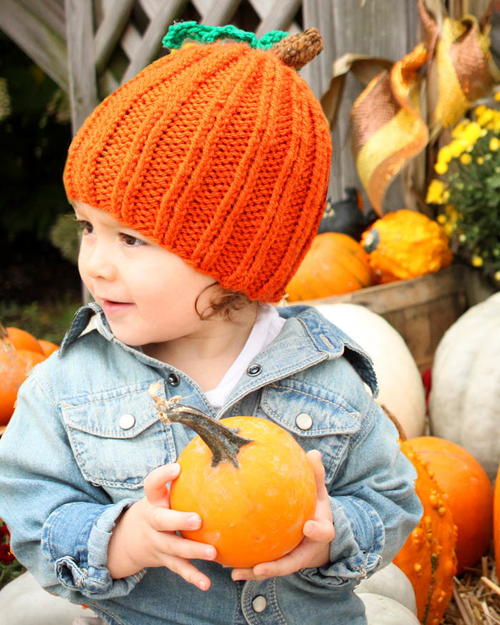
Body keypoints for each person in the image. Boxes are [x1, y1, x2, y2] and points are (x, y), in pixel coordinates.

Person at [0, 22, 422, 625]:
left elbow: (390, 499)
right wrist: (119, 542)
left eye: (132, 238)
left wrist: (334, 535)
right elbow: (32, 508)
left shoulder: (326, 378)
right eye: (86, 227)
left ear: (238, 258)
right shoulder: (71, 385)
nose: (94, 262)